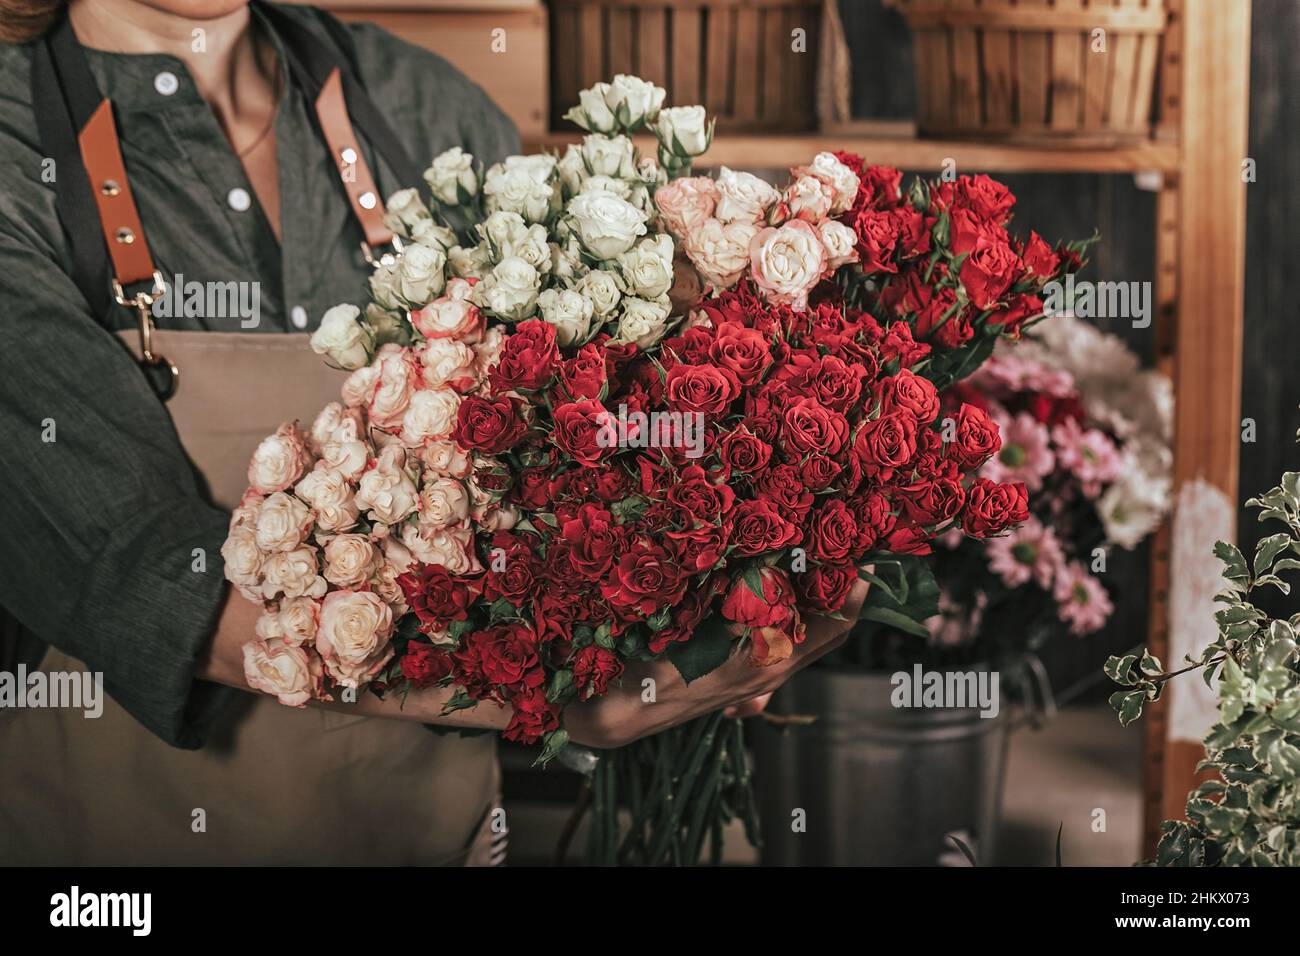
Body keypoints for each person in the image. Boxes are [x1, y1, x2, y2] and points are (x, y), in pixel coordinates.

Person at [0, 0, 866, 866]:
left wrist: (719, 600)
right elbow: (124, 561)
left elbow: (577, 443)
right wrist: (552, 697)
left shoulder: (418, 105)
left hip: (435, 831)